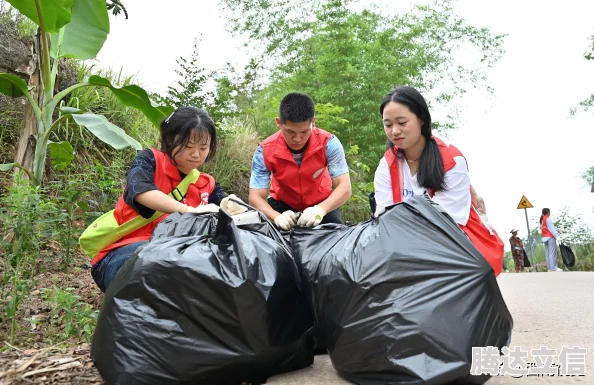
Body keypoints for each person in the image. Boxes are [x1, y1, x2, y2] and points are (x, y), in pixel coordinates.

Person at [90, 107, 247, 292]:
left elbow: (227, 207)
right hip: (123, 254)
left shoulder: (208, 184)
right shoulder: (149, 161)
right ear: (169, 139)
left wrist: (234, 206)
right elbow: (140, 191)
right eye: (188, 146)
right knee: (165, 261)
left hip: (177, 257)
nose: (196, 154)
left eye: (203, 147)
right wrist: (188, 210)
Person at [373, 85, 504, 275]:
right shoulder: (387, 165)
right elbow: (383, 216)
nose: (395, 131)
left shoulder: (451, 160)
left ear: (422, 120)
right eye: (388, 124)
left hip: (453, 239)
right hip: (403, 240)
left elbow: (447, 221)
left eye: (402, 122)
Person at [248, 92, 352, 230]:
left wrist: (321, 210)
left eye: (304, 132)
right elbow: (255, 197)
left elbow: (345, 188)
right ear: (279, 123)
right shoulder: (264, 151)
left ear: (313, 122)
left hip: (322, 203)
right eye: (290, 132)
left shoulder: (329, 143)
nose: (297, 139)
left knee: (334, 237)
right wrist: (276, 217)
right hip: (282, 206)